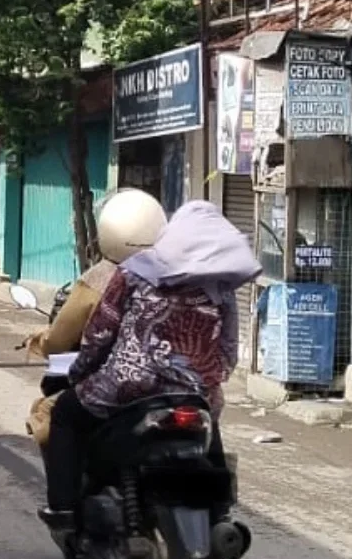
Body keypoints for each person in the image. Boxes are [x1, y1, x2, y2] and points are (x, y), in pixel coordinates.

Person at [40, 201, 261, 531]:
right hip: (195, 392)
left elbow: (101, 332)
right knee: (209, 427)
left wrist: (80, 371)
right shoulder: (220, 288)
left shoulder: (135, 271)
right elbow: (228, 350)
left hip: (128, 385)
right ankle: (220, 518)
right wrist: (205, 381)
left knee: (65, 415)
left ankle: (64, 512)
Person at [24, 188, 167, 445]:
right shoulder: (178, 280)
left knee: (51, 413)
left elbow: (79, 343)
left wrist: (48, 347)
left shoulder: (106, 279)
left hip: (119, 385)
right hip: (182, 390)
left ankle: (63, 487)